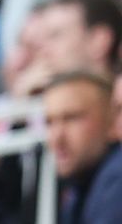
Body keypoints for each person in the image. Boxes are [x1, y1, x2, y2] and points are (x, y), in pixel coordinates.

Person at [42, 72, 122, 223]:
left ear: (111, 121)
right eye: (49, 122)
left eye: (72, 118)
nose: (57, 137)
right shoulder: (77, 188)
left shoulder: (116, 179)